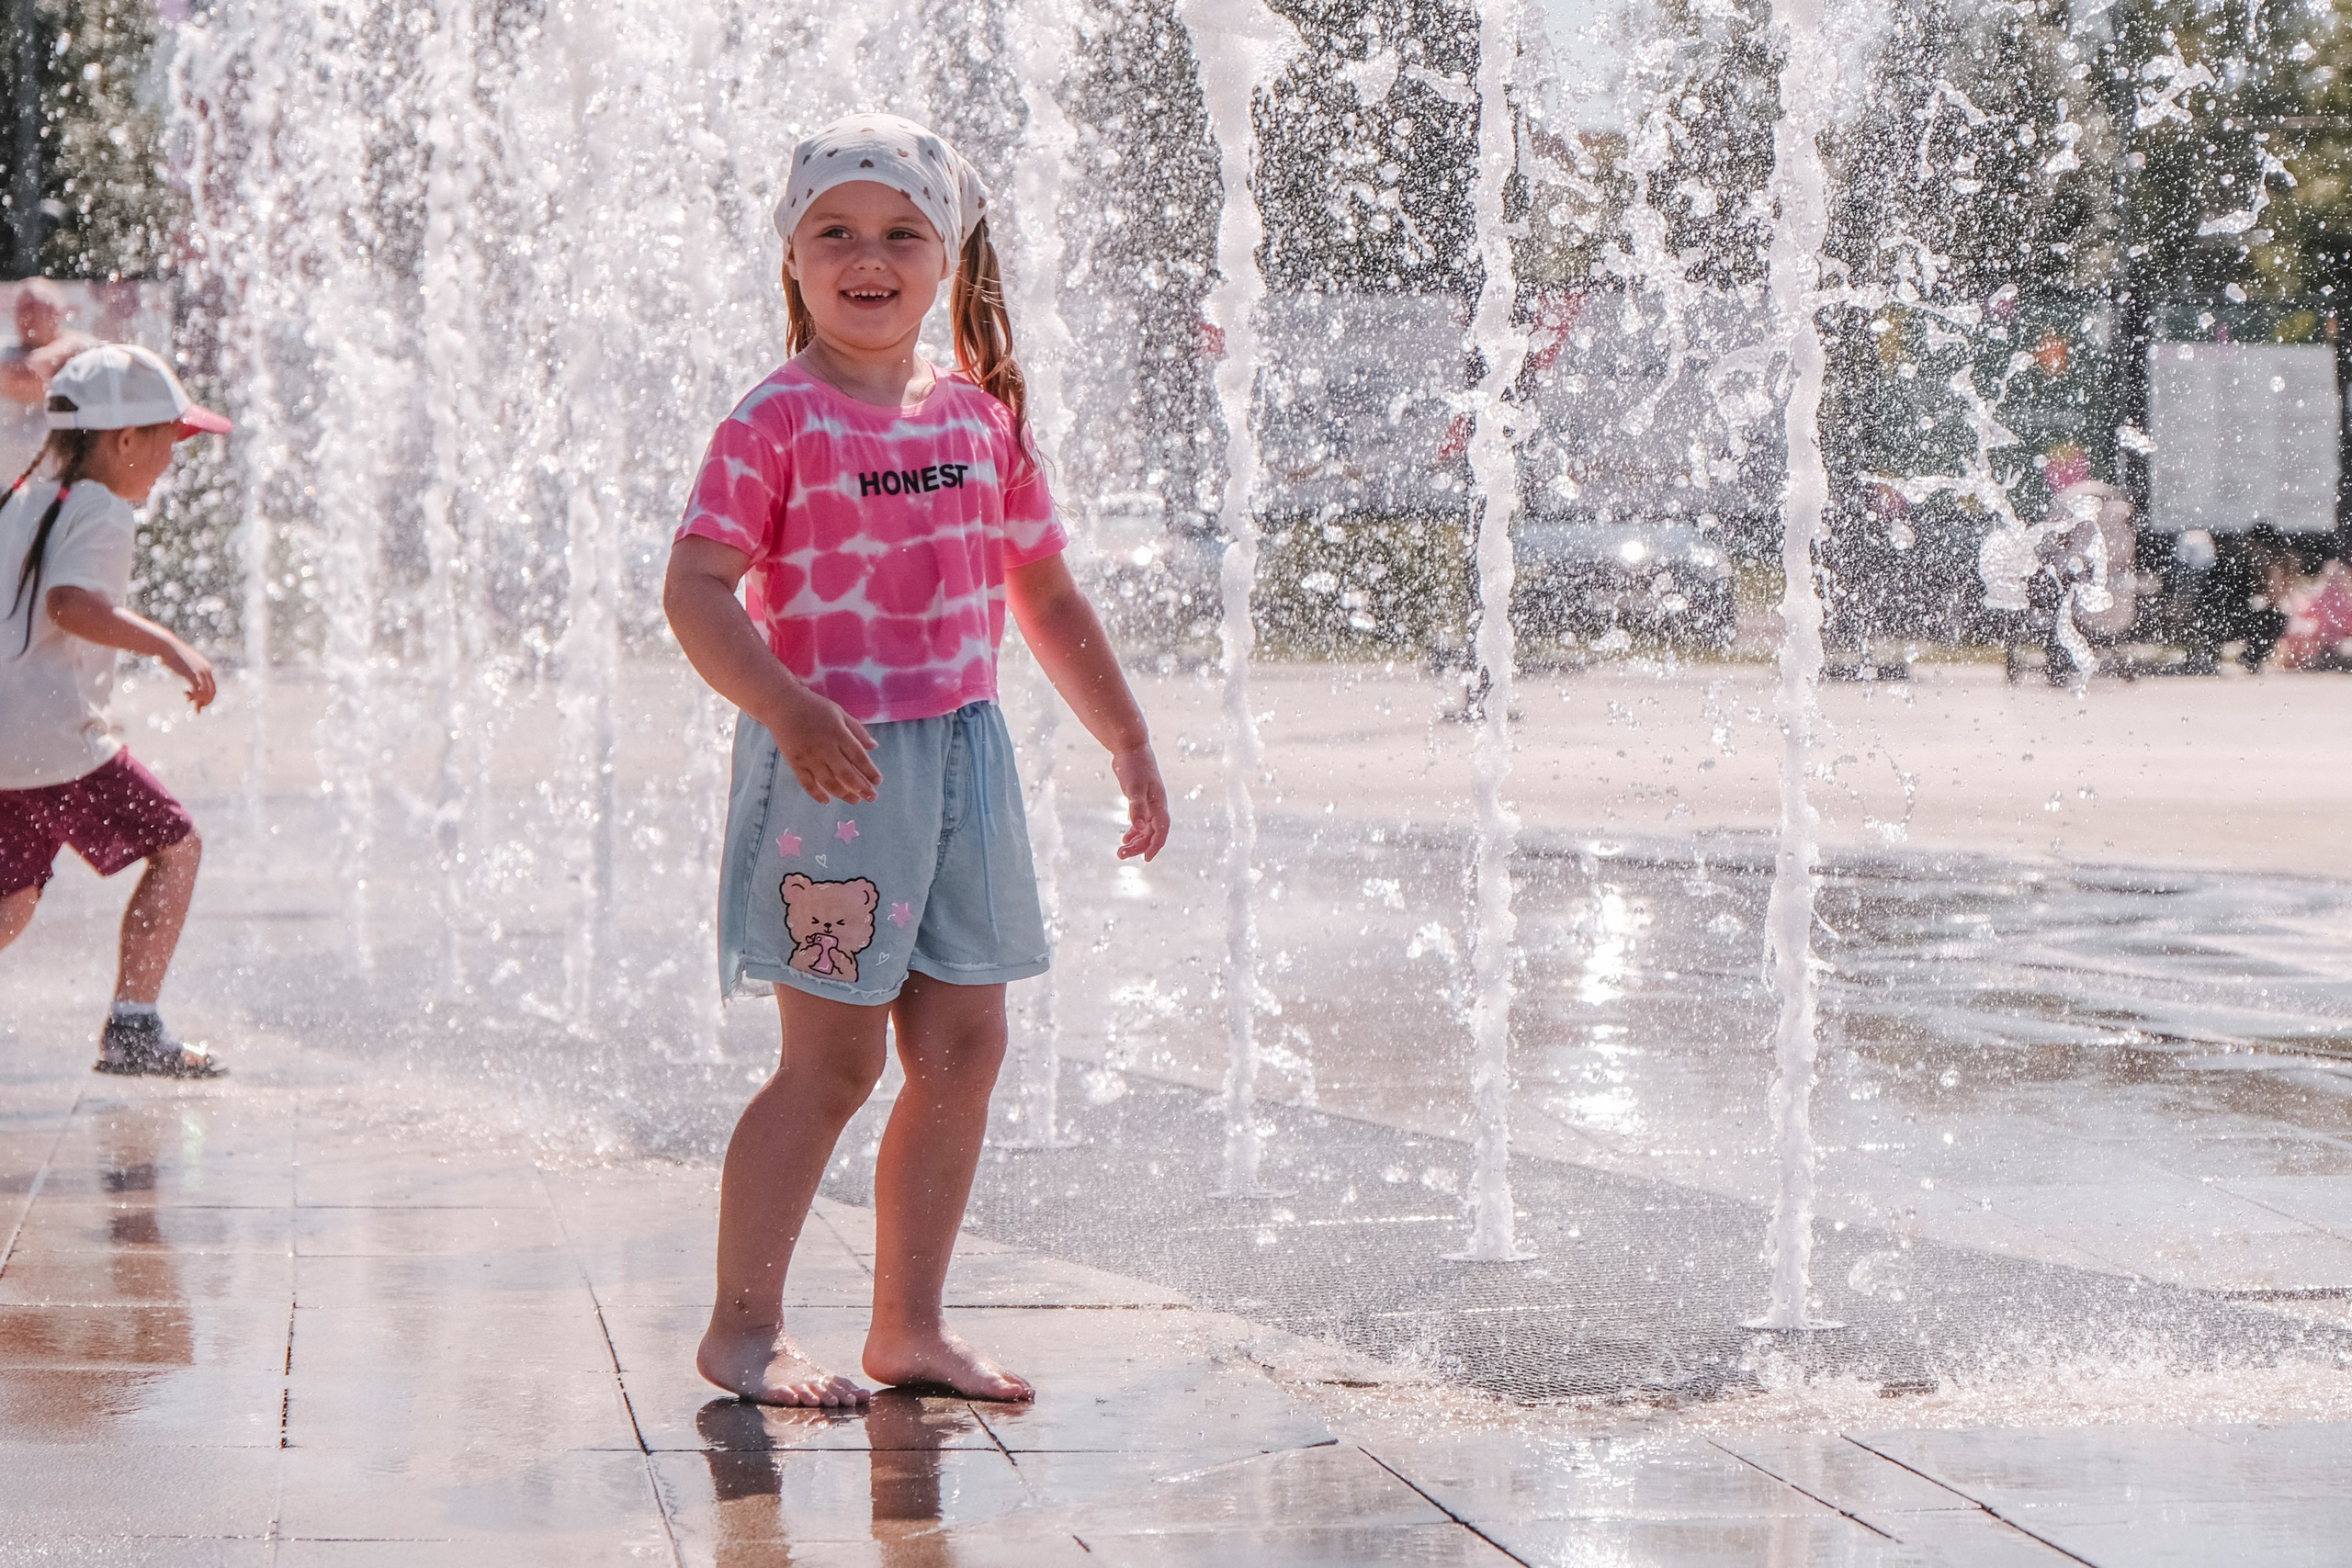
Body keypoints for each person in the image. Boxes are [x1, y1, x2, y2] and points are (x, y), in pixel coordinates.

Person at [663, 115, 1171, 1409]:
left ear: (945, 256)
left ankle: (911, 1324)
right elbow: (698, 588)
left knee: (965, 1044)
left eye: (900, 233)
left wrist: (1125, 733)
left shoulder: (978, 415)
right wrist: (783, 707)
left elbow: (1043, 595)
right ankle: (743, 1325)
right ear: (793, 257)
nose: (867, 258)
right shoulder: (774, 418)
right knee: (830, 1065)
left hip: (966, 760)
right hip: (833, 772)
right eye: (836, 231)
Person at [0, 344, 232, 1077]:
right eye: (169, 437)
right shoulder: (101, 508)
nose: (171, 457)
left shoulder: (22, 493)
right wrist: (168, 646)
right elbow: (71, 604)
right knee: (177, 844)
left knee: (11, 900)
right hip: (55, 747)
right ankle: (134, 1026)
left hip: (11, 740)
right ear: (124, 439)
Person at [0, 281, 98, 478]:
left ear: (56, 313)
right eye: (19, 308)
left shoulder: (85, 351)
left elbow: (31, 376)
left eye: (31, 307)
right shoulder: (7, 350)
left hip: (61, 484)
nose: (23, 316)